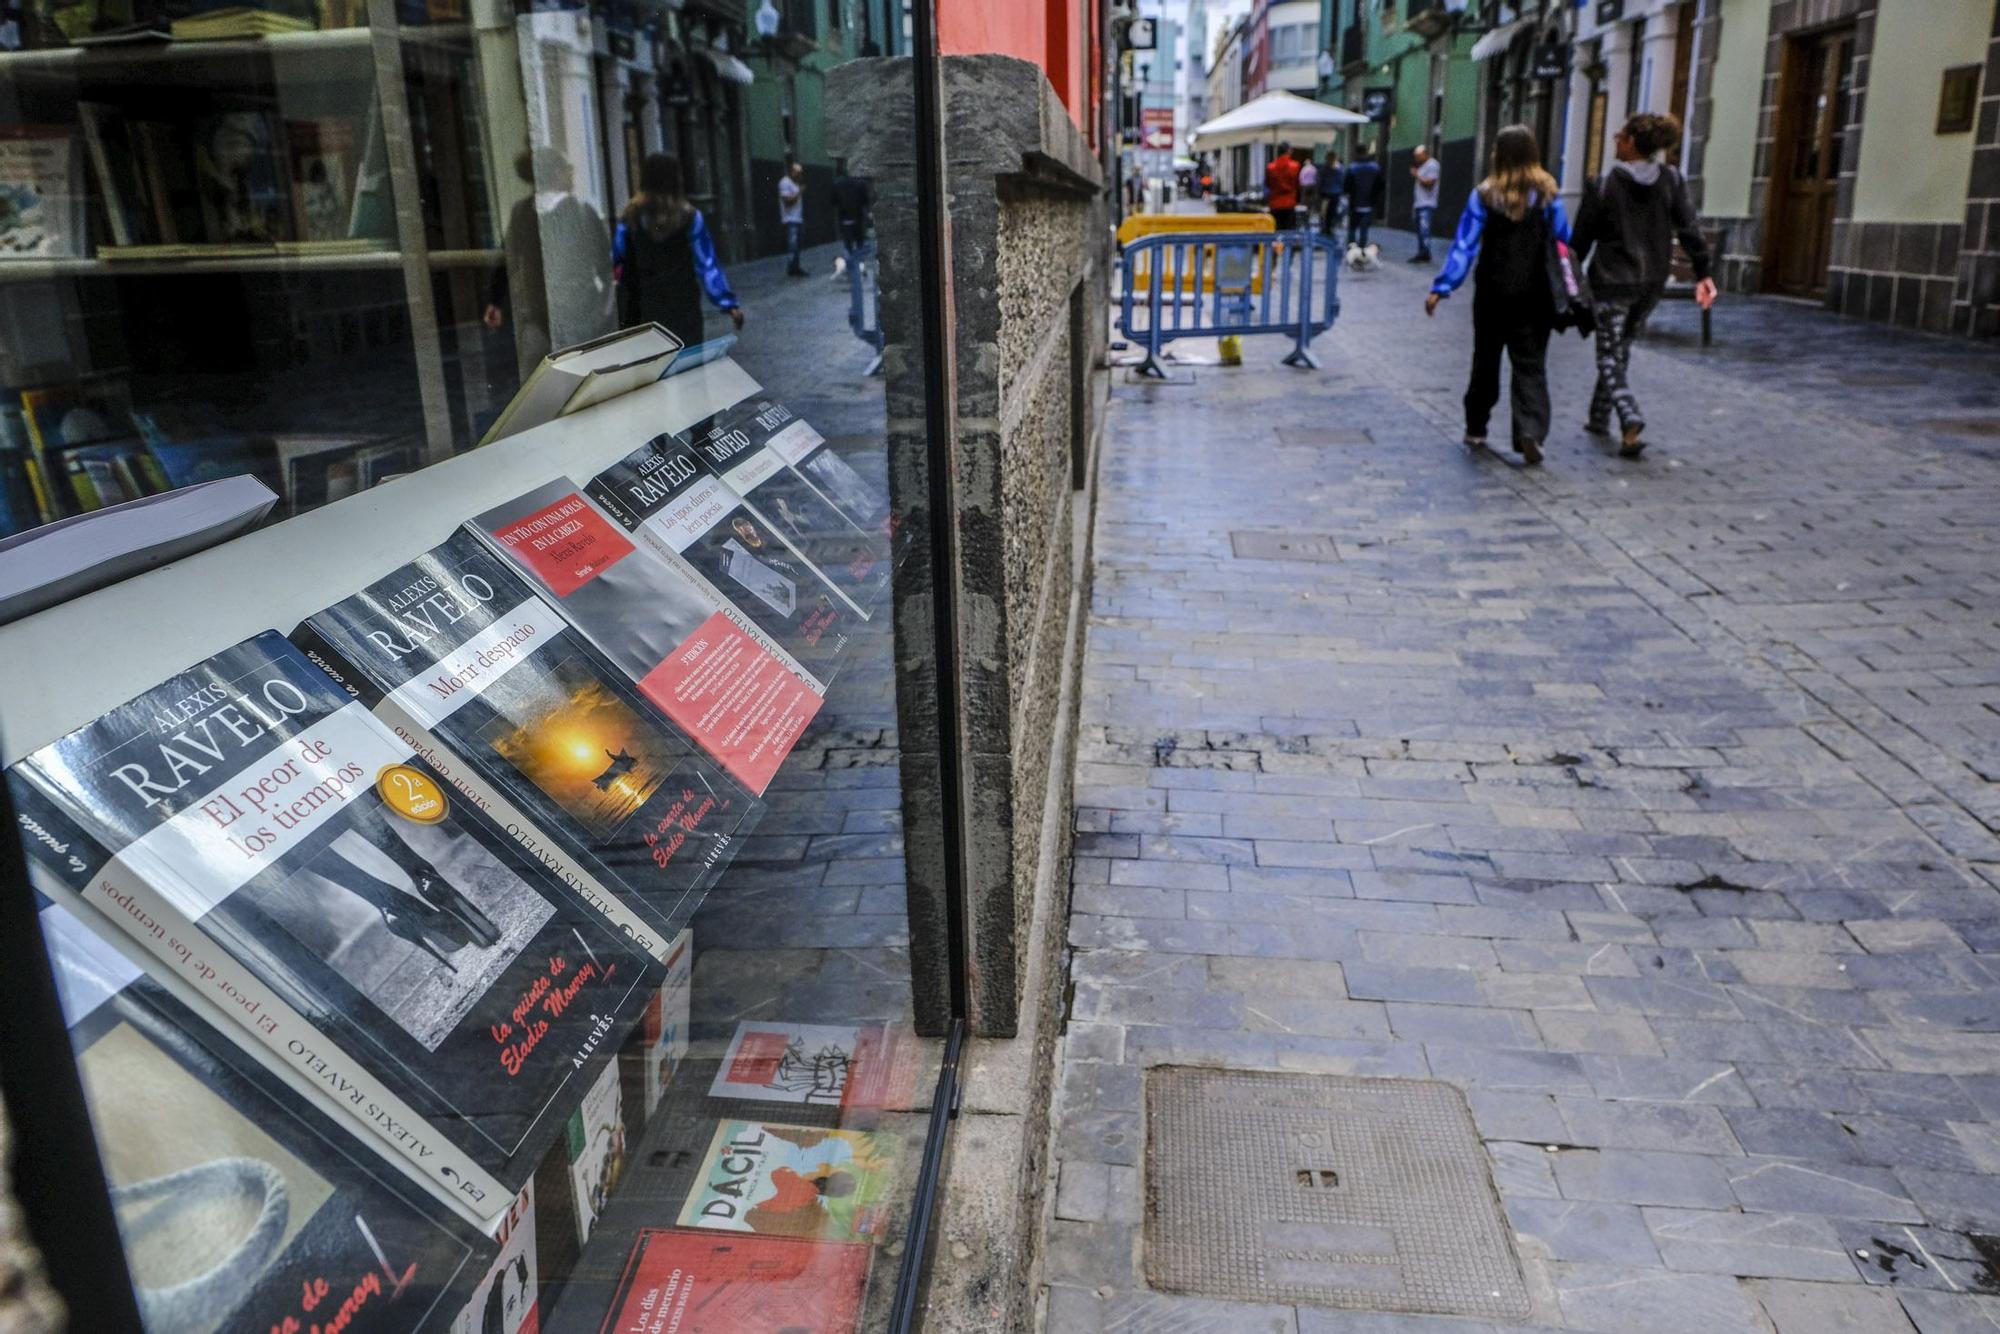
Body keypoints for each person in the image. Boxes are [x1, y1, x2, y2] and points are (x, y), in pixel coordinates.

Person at [1424, 124, 1572, 466]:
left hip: (1493, 291)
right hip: (1536, 295)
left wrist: (1442, 287)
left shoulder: (1485, 195)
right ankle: (1530, 431)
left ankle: (1477, 426)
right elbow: (1563, 240)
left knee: (1486, 360)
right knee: (1531, 365)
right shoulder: (1549, 194)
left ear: (1500, 154)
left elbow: (1465, 244)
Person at [1574, 111, 1717, 457]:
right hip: (1651, 281)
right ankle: (1598, 417)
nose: (1615, 142)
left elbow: (1580, 241)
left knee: (1609, 354)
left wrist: (1570, 277)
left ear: (1631, 143)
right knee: (1621, 347)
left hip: (1612, 280)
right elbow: (1689, 229)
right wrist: (1703, 272)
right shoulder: (1671, 180)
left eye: (1619, 136)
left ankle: (1629, 414)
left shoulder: (1603, 185)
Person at [613, 153, 743, 347]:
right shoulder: (690, 216)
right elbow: (707, 264)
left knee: (648, 370)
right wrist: (728, 303)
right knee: (686, 368)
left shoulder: (630, 216)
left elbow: (617, 256)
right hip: (682, 303)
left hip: (641, 305)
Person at [829, 163, 884, 358]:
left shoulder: (837, 184)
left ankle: (854, 269)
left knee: (850, 248)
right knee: (859, 248)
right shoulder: (860, 184)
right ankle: (858, 269)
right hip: (857, 220)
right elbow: (866, 202)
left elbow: (832, 203)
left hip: (845, 220)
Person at [1343, 146, 1383, 249]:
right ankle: (1362, 249)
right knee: (1364, 228)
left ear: (1356, 153)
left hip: (1355, 202)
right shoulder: (1375, 167)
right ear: (1366, 152)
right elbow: (1381, 185)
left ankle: (1351, 249)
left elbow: (1346, 186)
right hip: (1369, 202)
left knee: (1352, 227)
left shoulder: (1352, 167)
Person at [1409, 144, 1441, 263]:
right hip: (1419, 203)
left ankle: (1425, 253)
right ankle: (1422, 252)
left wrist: (1417, 175)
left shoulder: (1432, 165)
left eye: (1418, 156)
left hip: (1427, 203)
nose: (1416, 158)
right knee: (1420, 230)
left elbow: (1430, 184)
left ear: (1425, 154)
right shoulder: (1423, 166)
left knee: (1424, 229)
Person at [1264, 142, 1300, 231]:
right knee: (1289, 232)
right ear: (1288, 151)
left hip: (1275, 203)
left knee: (1276, 231)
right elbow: (1297, 184)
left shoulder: (1270, 167)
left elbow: (1268, 184)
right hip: (1290, 202)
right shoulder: (1295, 166)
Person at [779, 162, 806, 276]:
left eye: (801, 173)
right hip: (790, 219)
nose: (800, 175)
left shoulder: (795, 183)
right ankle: (791, 269)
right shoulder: (785, 182)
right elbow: (787, 201)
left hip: (797, 218)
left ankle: (796, 267)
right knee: (793, 245)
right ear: (792, 172)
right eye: (798, 173)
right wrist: (799, 192)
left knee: (797, 246)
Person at [1319, 150, 1343, 235]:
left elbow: (1320, 181)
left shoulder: (1323, 168)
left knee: (1323, 213)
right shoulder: (1339, 168)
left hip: (1325, 194)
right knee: (1332, 213)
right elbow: (1341, 181)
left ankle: (1324, 228)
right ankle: (1330, 229)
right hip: (1335, 193)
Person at [1296, 148, 1319, 229]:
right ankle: (1309, 212)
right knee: (1311, 201)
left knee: (1304, 201)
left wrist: (1300, 187)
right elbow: (1316, 177)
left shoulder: (1304, 169)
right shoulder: (1313, 168)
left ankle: (1304, 214)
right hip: (1312, 186)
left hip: (1305, 186)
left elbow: (1300, 178)